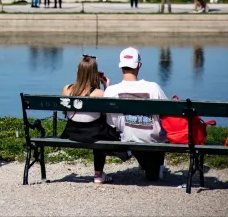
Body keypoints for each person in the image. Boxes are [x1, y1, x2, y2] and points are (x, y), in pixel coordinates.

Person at [104, 47, 168, 181]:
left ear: (120, 66)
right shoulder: (153, 87)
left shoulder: (111, 91)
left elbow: (110, 122)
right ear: (139, 65)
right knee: (158, 130)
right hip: (154, 139)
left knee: (129, 131)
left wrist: (106, 87)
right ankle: (156, 165)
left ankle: (147, 164)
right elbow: (166, 112)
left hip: (127, 138)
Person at [61, 55, 126, 184]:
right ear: (94, 74)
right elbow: (108, 114)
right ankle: (98, 174)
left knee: (99, 130)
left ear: (78, 71)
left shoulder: (67, 89)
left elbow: (64, 111)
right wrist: (106, 86)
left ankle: (101, 172)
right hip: (93, 135)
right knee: (102, 132)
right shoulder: (99, 93)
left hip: (71, 133)